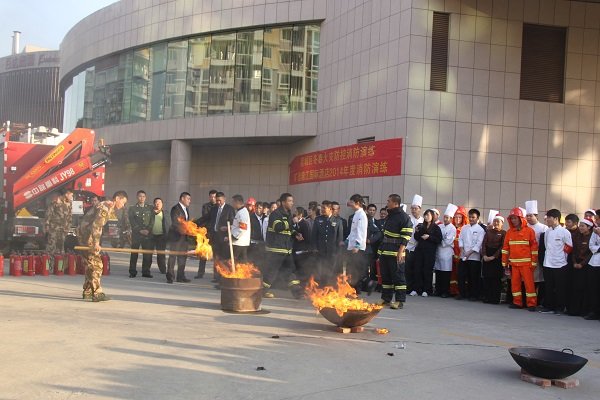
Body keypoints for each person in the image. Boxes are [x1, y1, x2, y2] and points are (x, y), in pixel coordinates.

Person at [79, 191, 128, 302]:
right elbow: (97, 225)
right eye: (123, 202)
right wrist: (96, 242)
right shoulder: (106, 206)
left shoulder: (107, 206)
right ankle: (97, 293)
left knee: (89, 264)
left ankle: (87, 291)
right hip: (88, 237)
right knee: (97, 265)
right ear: (117, 198)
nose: (123, 205)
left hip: (85, 235)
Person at [262, 193, 303, 299]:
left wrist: (295, 233)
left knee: (290, 271)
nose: (292, 203)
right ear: (283, 202)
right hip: (276, 249)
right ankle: (261, 291)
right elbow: (278, 227)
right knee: (272, 271)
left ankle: (297, 293)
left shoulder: (288, 213)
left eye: (292, 201)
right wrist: (291, 222)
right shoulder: (276, 213)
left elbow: (288, 229)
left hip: (286, 249)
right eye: (290, 201)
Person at [377, 194, 413, 309]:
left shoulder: (403, 217)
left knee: (398, 277)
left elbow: (407, 236)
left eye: (389, 201)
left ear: (395, 203)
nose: (387, 203)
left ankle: (399, 301)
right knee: (386, 277)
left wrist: (400, 251)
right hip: (386, 252)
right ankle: (386, 299)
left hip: (396, 253)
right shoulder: (390, 215)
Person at [502, 208, 538, 310]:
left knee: (529, 285)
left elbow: (534, 249)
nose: (513, 220)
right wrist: (504, 262)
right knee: (515, 284)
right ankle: (517, 302)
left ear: (521, 218)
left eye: (515, 218)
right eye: (512, 218)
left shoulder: (530, 231)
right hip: (513, 264)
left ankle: (531, 304)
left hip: (526, 264)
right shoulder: (509, 232)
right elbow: (505, 248)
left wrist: (533, 262)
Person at [539, 209, 573, 315]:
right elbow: (546, 246)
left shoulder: (564, 232)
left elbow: (569, 247)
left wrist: (562, 257)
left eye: (549, 217)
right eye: (547, 217)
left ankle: (560, 307)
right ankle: (549, 306)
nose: (547, 220)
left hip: (560, 264)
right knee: (548, 286)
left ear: (556, 219)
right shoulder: (547, 231)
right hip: (548, 263)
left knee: (559, 287)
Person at [312, 200, 344, 285]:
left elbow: (340, 238)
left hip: (332, 251)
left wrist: (339, 252)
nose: (321, 209)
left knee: (331, 271)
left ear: (330, 209)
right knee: (321, 270)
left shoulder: (338, 221)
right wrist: (314, 248)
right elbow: (314, 236)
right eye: (321, 207)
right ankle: (321, 288)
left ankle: (330, 288)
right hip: (320, 250)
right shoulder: (318, 219)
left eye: (324, 208)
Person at [412, 209, 442, 297]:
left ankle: (427, 289)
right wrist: (417, 232)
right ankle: (417, 289)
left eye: (428, 215)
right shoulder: (421, 226)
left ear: (432, 216)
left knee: (427, 270)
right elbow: (416, 238)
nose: (426, 217)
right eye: (425, 215)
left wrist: (429, 237)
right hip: (420, 250)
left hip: (430, 252)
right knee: (417, 269)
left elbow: (439, 239)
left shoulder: (436, 227)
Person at [457, 209, 485, 301]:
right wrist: (462, 249)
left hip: (474, 257)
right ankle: (461, 293)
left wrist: (469, 252)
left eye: (473, 217)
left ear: (477, 218)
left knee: (473, 277)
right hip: (463, 255)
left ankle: (473, 295)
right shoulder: (464, 228)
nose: (471, 219)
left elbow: (479, 243)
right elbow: (460, 239)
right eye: (470, 217)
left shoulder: (480, 230)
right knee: (461, 275)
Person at [345, 194, 370, 292]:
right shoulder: (356, 213)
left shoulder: (361, 215)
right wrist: (347, 240)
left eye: (351, 202)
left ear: (357, 203)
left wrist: (357, 245)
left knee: (356, 269)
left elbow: (361, 231)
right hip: (352, 246)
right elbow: (353, 231)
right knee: (352, 269)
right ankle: (353, 289)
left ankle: (357, 289)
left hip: (357, 248)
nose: (350, 204)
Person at [525, 200, 548, 303]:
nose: (529, 218)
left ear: (536, 216)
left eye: (531, 215)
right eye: (527, 216)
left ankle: (538, 300)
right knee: (528, 280)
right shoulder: (524, 228)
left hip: (539, 257)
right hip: (526, 257)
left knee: (539, 279)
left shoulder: (544, 228)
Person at [166, 192, 192, 284]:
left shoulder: (186, 209)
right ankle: (170, 276)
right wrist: (185, 229)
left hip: (184, 237)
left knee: (183, 256)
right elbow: (175, 222)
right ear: (182, 198)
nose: (189, 200)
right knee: (172, 256)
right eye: (188, 198)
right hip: (176, 236)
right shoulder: (175, 208)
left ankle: (180, 276)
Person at [208, 192, 236, 273]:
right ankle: (216, 275)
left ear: (224, 199)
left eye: (220, 200)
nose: (218, 202)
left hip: (224, 238)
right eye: (217, 200)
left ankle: (223, 275)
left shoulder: (229, 209)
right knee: (216, 257)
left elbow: (233, 223)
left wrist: (227, 228)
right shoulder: (214, 208)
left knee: (224, 258)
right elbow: (208, 218)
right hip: (215, 236)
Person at [128, 190, 154, 278]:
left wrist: (148, 230)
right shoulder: (132, 208)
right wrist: (139, 230)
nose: (141, 198)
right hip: (137, 234)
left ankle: (146, 271)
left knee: (147, 254)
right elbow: (132, 220)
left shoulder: (150, 208)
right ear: (137, 197)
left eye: (143, 196)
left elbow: (152, 220)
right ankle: (132, 271)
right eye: (140, 196)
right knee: (134, 254)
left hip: (147, 234)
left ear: (145, 198)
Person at [571, 217, 594, 318]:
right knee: (575, 287)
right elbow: (574, 250)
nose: (580, 227)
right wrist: (575, 262)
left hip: (586, 265)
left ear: (589, 227)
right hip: (576, 263)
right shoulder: (577, 236)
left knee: (584, 288)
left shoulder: (592, 237)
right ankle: (574, 309)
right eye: (580, 225)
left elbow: (591, 253)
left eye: (583, 226)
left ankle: (584, 310)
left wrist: (582, 264)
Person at [434, 204, 457, 298]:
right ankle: (438, 290)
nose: (446, 219)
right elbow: (436, 236)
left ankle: (445, 291)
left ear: (451, 218)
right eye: (445, 217)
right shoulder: (440, 226)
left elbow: (448, 241)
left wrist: (439, 240)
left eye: (447, 217)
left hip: (447, 251)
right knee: (438, 271)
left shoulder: (452, 228)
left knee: (446, 273)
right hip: (438, 251)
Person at [481, 214, 506, 304]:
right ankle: (487, 297)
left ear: (502, 223)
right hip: (487, 256)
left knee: (495, 279)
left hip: (497, 258)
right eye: (494, 221)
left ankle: (495, 298)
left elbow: (502, 247)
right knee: (487, 277)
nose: (496, 223)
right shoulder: (488, 231)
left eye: (498, 221)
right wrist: (484, 255)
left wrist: (494, 256)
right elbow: (484, 244)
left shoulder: (504, 233)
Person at [194, 189, 217, 279]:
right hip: (206, 232)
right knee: (203, 253)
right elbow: (206, 217)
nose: (213, 198)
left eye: (214, 196)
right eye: (211, 196)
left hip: (215, 233)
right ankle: (200, 273)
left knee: (216, 255)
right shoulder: (206, 206)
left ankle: (216, 275)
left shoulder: (219, 207)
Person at [45, 189, 73, 261]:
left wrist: (68, 227)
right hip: (54, 228)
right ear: (66, 194)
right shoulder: (56, 201)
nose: (71, 197)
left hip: (63, 229)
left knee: (61, 247)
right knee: (51, 245)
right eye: (71, 195)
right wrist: (47, 225)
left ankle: (59, 266)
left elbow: (70, 216)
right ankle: (49, 264)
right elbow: (49, 213)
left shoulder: (69, 203)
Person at [406, 194, 423, 296]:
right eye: (412, 208)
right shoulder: (408, 218)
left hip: (418, 248)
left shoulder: (423, 220)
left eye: (415, 208)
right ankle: (408, 288)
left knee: (417, 269)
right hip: (408, 247)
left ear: (420, 209)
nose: (413, 210)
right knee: (408, 269)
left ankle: (417, 288)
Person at [451, 206, 468, 296]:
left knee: (460, 274)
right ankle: (452, 290)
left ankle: (460, 291)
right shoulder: (451, 228)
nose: (458, 219)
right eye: (456, 217)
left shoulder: (465, 229)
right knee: (452, 273)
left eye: (460, 217)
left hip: (461, 254)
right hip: (451, 254)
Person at [585, 220, 600, 320]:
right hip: (594, 262)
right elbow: (591, 245)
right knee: (594, 288)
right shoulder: (595, 230)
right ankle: (595, 311)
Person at [229, 194, 251, 263]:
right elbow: (238, 226)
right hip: (240, 242)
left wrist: (233, 237)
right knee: (241, 263)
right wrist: (229, 227)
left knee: (237, 263)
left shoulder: (242, 213)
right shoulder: (240, 212)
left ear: (237, 202)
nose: (232, 204)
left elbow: (243, 228)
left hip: (239, 243)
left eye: (233, 202)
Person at [149, 197, 168, 274]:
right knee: (148, 253)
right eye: (156, 202)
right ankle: (146, 269)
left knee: (161, 254)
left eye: (159, 202)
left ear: (162, 204)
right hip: (151, 236)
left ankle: (163, 270)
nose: (158, 204)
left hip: (161, 236)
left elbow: (168, 224)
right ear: (154, 204)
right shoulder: (150, 213)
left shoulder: (165, 213)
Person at [247, 198, 265, 268]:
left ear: (263, 209)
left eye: (260, 208)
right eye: (257, 208)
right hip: (253, 242)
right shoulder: (250, 217)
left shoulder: (265, 218)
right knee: (253, 261)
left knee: (262, 261)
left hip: (263, 242)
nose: (258, 210)